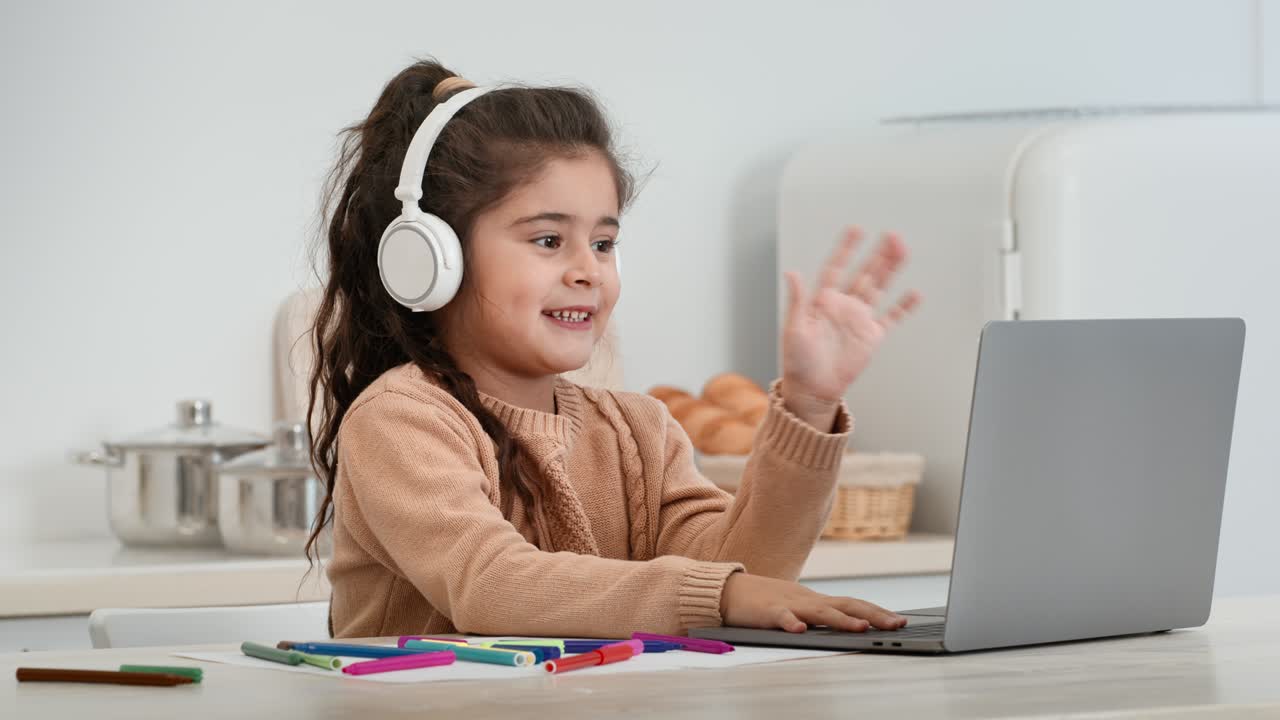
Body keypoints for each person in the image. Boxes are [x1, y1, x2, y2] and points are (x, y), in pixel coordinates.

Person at [305, 59, 923, 638]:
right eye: (548, 240)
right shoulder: (400, 420)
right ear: (432, 259)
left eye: (603, 243)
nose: (587, 270)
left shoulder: (637, 429)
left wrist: (810, 408)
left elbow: (744, 572)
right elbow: (490, 584)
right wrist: (721, 595)